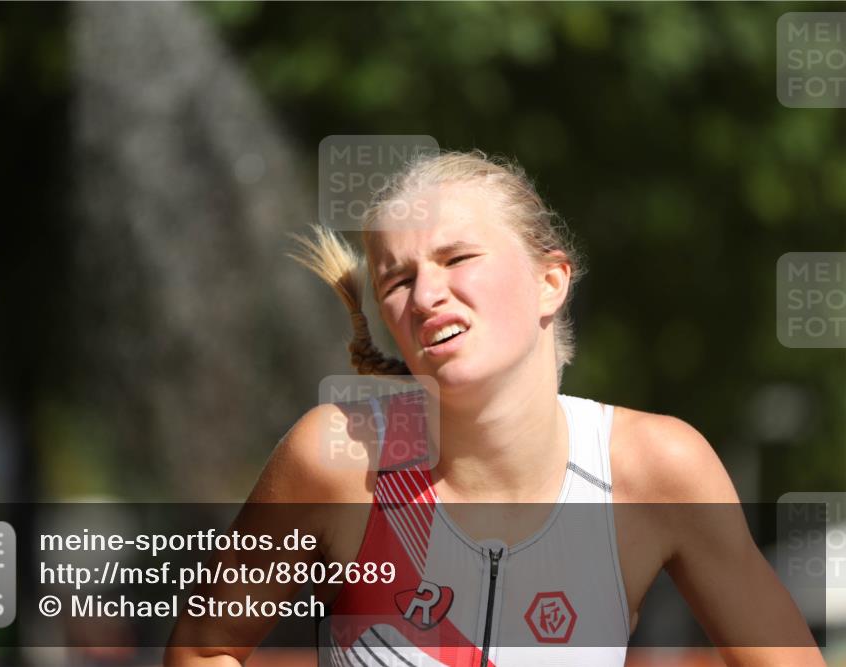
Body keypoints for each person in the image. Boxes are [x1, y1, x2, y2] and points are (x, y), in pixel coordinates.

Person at [165, 151, 824, 666]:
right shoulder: (338, 458)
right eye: (397, 279)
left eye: (457, 258)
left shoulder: (657, 469)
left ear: (551, 281)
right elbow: (202, 646)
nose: (425, 294)